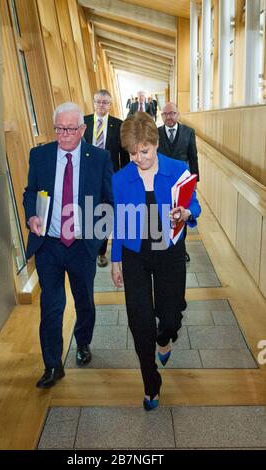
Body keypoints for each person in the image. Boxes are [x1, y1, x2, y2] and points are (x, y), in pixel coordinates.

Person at [111, 112, 201, 411]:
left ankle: (166, 337)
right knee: (140, 321)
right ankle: (151, 382)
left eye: (144, 151)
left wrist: (187, 213)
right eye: (133, 153)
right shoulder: (121, 178)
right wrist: (115, 260)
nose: (139, 158)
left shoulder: (178, 169)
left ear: (155, 142)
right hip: (135, 255)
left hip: (170, 252)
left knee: (170, 316)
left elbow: (194, 203)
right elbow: (120, 221)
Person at [23, 102, 113, 389]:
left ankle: (83, 341)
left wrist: (97, 239)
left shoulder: (99, 158)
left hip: (82, 245)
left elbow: (107, 202)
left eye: (70, 129)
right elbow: (30, 192)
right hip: (49, 244)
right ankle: (52, 364)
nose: (63, 135)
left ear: (82, 129)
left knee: (84, 299)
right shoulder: (40, 155)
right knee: (51, 305)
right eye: (59, 129)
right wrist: (31, 216)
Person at [84, 89, 129, 268]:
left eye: (105, 102)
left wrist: (124, 177)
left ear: (110, 105)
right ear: (93, 103)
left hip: (110, 178)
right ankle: (90, 247)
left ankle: (101, 251)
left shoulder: (119, 125)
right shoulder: (84, 122)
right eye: (98, 101)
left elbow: (124, 155)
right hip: (87, 176)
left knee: (105, 213)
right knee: (88, 211)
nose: (101, 105)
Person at [158, 102, 200, 262]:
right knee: (165, 213)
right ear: (162, 116)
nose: (169, 116)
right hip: (162, 181)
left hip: (183, 182)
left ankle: (181, 248)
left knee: (182, 213)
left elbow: (193, 157)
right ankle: (164, 243)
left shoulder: (189, 132)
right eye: (166, 114)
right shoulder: (156, 133)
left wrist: (195, 179)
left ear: (178, 114)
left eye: (172, 113)